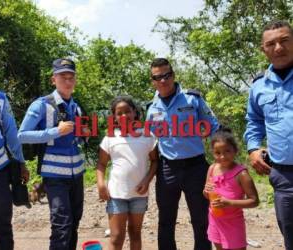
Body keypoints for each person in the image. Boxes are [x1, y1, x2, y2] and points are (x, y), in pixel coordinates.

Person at [146, 58, 219, 250]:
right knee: (166, 221)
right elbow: (149, 141)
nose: (163, 80)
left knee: (201, 219)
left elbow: (213, 125)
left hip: (196, 167)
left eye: (166, 75)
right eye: (158, 77)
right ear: (152, 81)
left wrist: (221, 163)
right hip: (167, 168)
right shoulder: (151, 108)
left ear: (173, 75)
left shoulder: (192, 98)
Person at [18, 58, 85, 250]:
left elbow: (76, 141)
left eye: (71, 76)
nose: (67, 80)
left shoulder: (76, 107)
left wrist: (83, 136)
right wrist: (55, 131)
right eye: (62, 76)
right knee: (62, 225)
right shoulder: (41, 105)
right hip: (54, 176)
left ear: (75, 80)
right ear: (53, 80)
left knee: (74, 222)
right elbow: (21, 135)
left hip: (77, 175)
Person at [244, 20, 293, 250]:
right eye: (271, 44)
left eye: (284, 41)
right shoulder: (259, 87)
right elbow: (254, 120)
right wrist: (253, 148)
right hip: (283, 175)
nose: (279, 48)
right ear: (263, 49)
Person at [97, 96, 158, 250]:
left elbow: (155, 161)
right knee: (117, 237)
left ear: (134, 112)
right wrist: (101, 184)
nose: (124, 116)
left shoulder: (147, 136)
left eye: (127, 111)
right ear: (114, 117)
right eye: (119, 113)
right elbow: (101, 164)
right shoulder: (110, 138)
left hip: (139, 195)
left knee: (135, 234)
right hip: (116, 194)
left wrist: (147, 181)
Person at [203, 128, 259, 250]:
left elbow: (254, 201)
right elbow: (207, 195)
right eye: (217, 153)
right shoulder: (212, 168)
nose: (222, 156)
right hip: (215, 220)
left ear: (235, 151)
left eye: (227, 151)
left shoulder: (241, 174)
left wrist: (229, 202)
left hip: (233, 223)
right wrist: (206, 191)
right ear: (212, 153)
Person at [0, 88, 29, 250]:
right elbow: (11, 132)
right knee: (3, 226)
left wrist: (20, 162)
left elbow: (11, 132)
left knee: (3, 225)